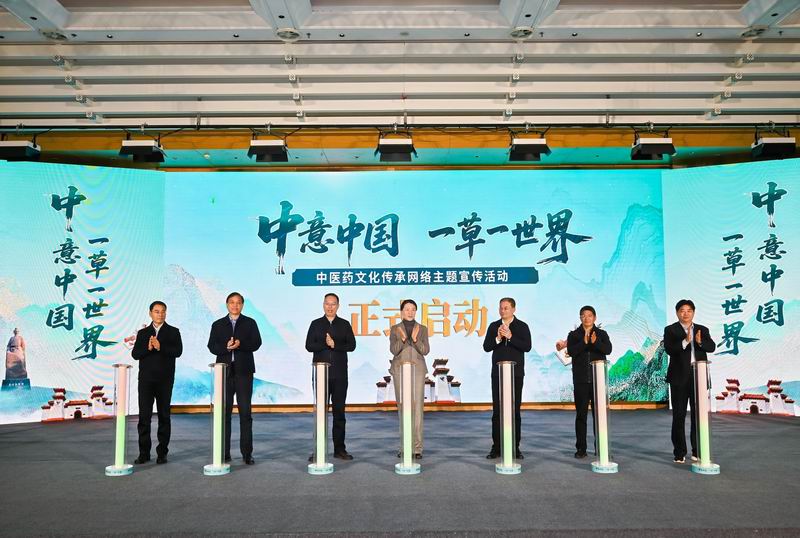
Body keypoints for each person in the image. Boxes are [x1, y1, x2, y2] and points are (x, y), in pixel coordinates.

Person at [207, 292, 262, 465]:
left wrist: (240, 345)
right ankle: (224, 453)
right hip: (224, 372)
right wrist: (226, 347)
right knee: (224, 413)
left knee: (245, 413)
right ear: (227, 304)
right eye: (232, 302)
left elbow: (257, 343)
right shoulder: (218, 324)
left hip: (244, 372)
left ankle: (247, 453)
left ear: (242, 305)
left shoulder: (250, 323)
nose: (235, 305)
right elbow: (211, 346)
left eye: (238, 302)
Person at [663, 299, 716, 464]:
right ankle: (679, 452)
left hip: (698, 377)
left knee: (698, 416)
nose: (685, 314)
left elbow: (711, 347)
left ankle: (697, 450)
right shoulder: (671, 330)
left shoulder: (702, 329)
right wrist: (685, 341)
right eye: (682, 311)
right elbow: (669, 350)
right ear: (677, 313)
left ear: (693, 312)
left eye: (689, 311)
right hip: (679, 378)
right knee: (678, 416)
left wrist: (699, 342)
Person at [305, 292, 357, 461]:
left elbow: (352, 345)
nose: (330, 307)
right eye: (327, 303)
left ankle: (339, 449)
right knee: (320, 413)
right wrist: (325, 343)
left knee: (339, 413)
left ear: (338, 306)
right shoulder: (315, 324)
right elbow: (308, 346)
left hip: (340, 374)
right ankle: (318, 450)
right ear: (323, 305)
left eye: (333, 304)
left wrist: (335, 344)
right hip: (321, 374)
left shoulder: (344, 324)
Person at [556, 305, 612, 459]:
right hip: (580, 380)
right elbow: (571, 351)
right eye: (583, 315)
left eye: (589, 315)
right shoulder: (574, 335)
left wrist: (595, 342)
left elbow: (608, 350)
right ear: (580, 318)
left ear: (595, 317)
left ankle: (601, 447)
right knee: (581, 415)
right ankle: (581, 448)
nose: (586, 318)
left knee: (599, 415)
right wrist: (585, 342)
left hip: (598, 381)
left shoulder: (601, 334)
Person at [131, 301, 183, 464]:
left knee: (164, 416)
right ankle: (144, 453)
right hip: (146, 381)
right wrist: (148, 348)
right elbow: (135, 354)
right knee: (144, 417)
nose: (160, 314)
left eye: (163, 311)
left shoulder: (173, 331)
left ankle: (162, 453)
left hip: (165, 380)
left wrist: (161, 347)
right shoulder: (143, 333)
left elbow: (178, 351)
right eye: (156, 311)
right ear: (150, 313)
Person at [483, 297, 531, 460]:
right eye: (501, 308)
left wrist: (510, 336)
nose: (502, 311)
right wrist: (497, 338)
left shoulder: (522, 326)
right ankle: (496, 447)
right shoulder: (493, 326)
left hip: (516, 374)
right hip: (498, 374)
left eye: (506, 308)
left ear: (513, 309)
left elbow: (527, 346)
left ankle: (515, 447)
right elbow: (486, 347)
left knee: (514, 411)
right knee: (497, 411)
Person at [389, 299, 430, 459]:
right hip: (400, 369)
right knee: (403, 408)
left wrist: (415, 339)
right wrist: (403, 339)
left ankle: (417, 448)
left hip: (418, 369)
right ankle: (405, 447)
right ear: (401, 311)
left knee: (418, 408)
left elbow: (425, 350)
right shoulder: (395, 329)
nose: (410, 312)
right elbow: (394, 350)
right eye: (407, 309)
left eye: (413, 309)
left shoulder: (422, 329)